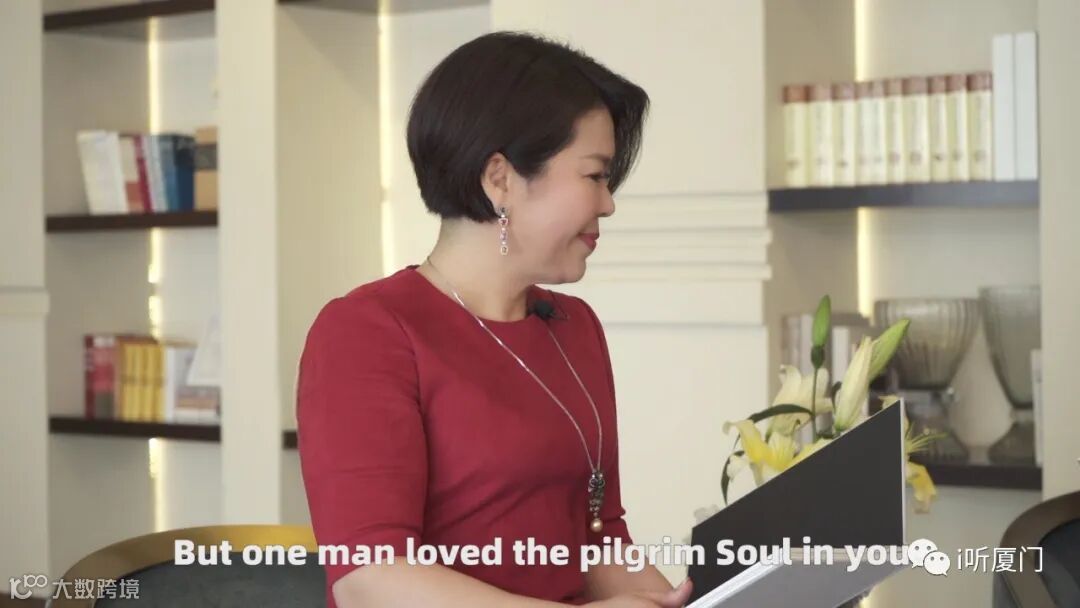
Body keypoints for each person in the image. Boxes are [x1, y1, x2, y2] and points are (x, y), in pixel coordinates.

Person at [296, 31, 692, 608]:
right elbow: (370, 581)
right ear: (500, 178)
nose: (608, 203)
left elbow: (598, 541)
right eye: (594, 176)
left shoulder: (573, 326)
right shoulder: (365, 332)